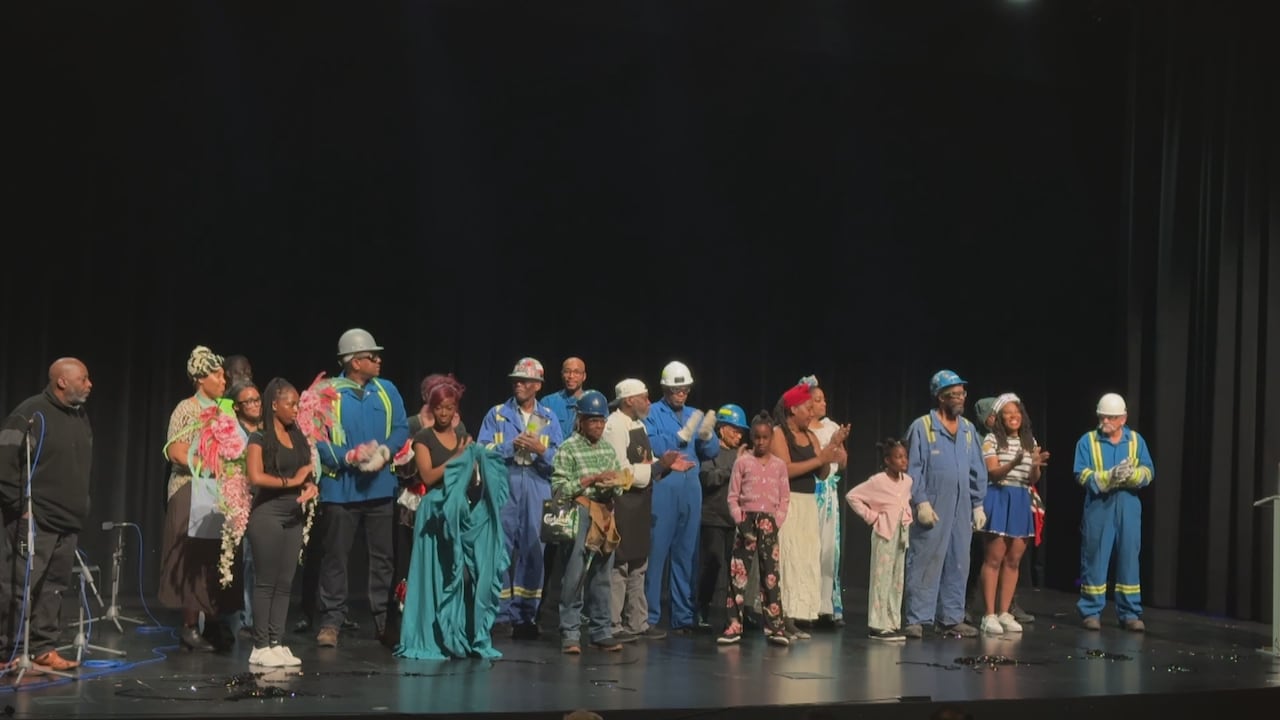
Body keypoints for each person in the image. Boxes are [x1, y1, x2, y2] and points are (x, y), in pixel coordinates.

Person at [397, 381, 510, 660]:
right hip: (435, 511)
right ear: (432, 409)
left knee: (463, 572)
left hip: (458, 510)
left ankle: (460, 633)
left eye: (449, 408)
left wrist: (474, 463)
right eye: (439, 408)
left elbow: (470, 478)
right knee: (434, 574)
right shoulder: (423, 437)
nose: (444, 413)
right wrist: (458, 458)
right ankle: (433, 636)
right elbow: (428, 476)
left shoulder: (461, 435)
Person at [313, 328, 410, 647]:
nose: (379, 361)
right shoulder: (327, 393)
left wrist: (385, 452)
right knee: (335, 558)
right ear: (355, 362)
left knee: (383, 558)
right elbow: (317, 438)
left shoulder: (387, 390)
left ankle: (383, 621)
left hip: (380, 489)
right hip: (341, 490)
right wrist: (347, 457)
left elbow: (400, 428)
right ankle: (331, 621)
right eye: (372, 356)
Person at [0, 358, 94, 672]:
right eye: (83, 379)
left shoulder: (79, 416)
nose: (89, 384)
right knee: (19, 585)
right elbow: (5, 464)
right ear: (62, 382)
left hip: (67, 519)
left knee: (54, 587)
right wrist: (21, 508)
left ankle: (42, 648)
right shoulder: (30, 413)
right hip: (35, 519)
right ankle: (8, 650)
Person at [158, 346, 244, 652]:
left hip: (221, 492)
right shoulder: (187, 409)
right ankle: (190, 626)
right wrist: (213, 464)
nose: (224, 380)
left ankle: (216, 621)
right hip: (191, 489)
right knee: (193, 557)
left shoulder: (226, 410)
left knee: (218, 556)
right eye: (217, 375)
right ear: (200, 379)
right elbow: (176, 452)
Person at [477, 357, 563, 639]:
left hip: (538, 487)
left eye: (524, 381)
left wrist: (541, 450)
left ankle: (526, 616)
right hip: (505, 484)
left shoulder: (548, 418)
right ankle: (499, 615)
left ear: (537, 385)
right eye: (515, 380)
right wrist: (509, 447)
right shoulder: (497, 414)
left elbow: (561, 460)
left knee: (533, 552)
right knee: (499, 550)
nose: (518, 385)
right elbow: (481, 450)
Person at [901, 370, 987, 639]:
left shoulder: (968, 430)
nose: (960, 399)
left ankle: (950, 618)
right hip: (934, 504)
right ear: (940, 397)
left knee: (959, 560)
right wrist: (921, 502)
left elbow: (977, 469)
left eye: (962, 394)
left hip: (961, 506)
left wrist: (978, 504)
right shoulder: (923, 427)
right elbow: (913, 469)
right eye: (954, 395)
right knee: (925, 559)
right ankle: (917, 618)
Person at [601, 379, 685, 642]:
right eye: (645, 398)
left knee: (638, 563)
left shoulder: (638, 424)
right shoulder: (614, 426)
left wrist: (666, 465)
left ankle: (637, 622)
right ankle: (613, 624)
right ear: (629, 400)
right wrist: (658, 467)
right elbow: (620, 471)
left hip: (640, 502)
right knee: (620, 565)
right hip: (622, 502)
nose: (649, 403)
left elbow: (645, 462)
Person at [243, 378, 319, 667]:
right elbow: (255, 477)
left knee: (285, 583)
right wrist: (293, 481)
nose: (296, 409)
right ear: (274, 405)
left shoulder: (297, 436)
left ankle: (276, 642)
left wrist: (309, 486)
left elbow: (305, 474)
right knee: (266, 582)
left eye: (298, 404)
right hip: (268, 515)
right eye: (291, 404)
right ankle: (260, 645)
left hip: (293, 515)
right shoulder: (259, 437)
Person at [643, 361, 719, 633]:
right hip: (664, 487)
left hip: (690, 490)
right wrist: (681, 437)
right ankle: (649, 617)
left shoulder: (693, 414)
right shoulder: (652, 412)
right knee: (656, 554)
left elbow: (710, 452)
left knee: (687, 554)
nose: (682, 394)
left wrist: (707, 436)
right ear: (665, 389)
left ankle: (683, 616)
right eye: (677, 389)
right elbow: (652, 444)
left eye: (685, 389)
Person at [552, 390, 627, 654]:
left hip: (604, 513)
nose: (598, 426)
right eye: (593, 420)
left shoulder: (607, 448)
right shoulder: (568, 448)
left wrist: (616, 483)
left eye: (601, 421)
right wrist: (591, 479)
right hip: (580, 512)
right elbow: (559, 488)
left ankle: (601, 631)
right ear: (581, 421)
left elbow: (618, 485)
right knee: (575, 574)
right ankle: (570, 632)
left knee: (603, 575)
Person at [1074, 392, 1153, 632]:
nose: (1105, 421)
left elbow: (1149, 472)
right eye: (1102, 417)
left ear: (1123, 419)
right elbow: (1081, 473)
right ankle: (1091, 611)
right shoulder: (1088, 441)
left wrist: (1132, 475)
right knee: (1095, 558)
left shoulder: (1136, 441)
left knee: (1129, 559)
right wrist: (1108, 477)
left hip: (1128, 506)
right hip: (1100, 507)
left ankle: (1129, 613)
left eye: (1111, 417)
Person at [772, 383, 846, 637]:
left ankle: (795, 616)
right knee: (788, 559)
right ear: (793, 409)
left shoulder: (811, 436)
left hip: (808, 504)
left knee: (804, 559)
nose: (812, 413)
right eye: (807, 408)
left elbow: (822, 473)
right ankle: (780, 618)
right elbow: (785, 469)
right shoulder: (779, 434)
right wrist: (819, 459)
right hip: (788, 503)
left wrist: (831, 448)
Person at [976, 393, 1048, 635]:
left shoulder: (1029, 441)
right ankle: (988, 615)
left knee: (1014, 559)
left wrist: (1034, 465)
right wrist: (1014, 463)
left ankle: (1004, 612)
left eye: (1016, 412)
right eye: (1007, 413)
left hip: (1020, 498)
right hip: (998, 496)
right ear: (999, 417)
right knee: (994, 558)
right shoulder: (991, 440)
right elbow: (994, 473)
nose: (1013, 416)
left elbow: (1032, 479)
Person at [719, 411, 790, 646]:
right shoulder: (742, 462)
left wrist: (777, 521)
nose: (760, 442)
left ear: (771, 438)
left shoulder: (779, 465)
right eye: (757, 437)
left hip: (769, 521)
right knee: (738, 574)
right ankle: (733, 624)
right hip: (746, 520)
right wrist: (740, 519)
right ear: (752, 437)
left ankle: (775, 627)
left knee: (770, 575)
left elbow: (784, 498)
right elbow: (733, 495)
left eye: (765, 437)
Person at [846, 438, 914, 641]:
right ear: (887, 460)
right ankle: (877, 624)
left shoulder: (907, 481)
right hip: (885, 534)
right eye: (898, 457)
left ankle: (892, 622)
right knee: (881, 579)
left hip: (901, 535)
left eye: (905, 456)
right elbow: (852, 496)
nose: (903, 460)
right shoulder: (878, 481)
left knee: (896, 579)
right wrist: (872, 517)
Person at [801, 377, 849, 627]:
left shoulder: (831, 427)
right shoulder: (799, 430)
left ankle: (826, 605)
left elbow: (842, 462)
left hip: (828, 492)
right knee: (807, 547)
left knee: (829, 549)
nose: (823, 404)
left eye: (824, 400)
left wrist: (837, 445)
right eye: (818, 400)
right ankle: (804, 605)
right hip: (808, 490)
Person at [696, 404, 750, 633]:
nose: (739, 436)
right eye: (735, 431)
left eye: (741, 432)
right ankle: (702, 607)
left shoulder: (743, 456)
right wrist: (734, 466)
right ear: (722, 429)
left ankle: (734, 614)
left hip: (733, 520)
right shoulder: (711, 451)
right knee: (713, 563)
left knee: (734, 569)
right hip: (712, 517)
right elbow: (707, 479)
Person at [228, 379, 263, 637]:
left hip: (263, 501)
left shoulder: (267, 429)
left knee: (256, 561)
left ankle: (255, 618)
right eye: (247, 401)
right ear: (236, 406)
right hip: (237, 501)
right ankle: (241, 618)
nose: (254, 405)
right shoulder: (230, 432)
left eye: (257, 399)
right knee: (240, 561)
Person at [541, 357, 587, 441]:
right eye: (567, 371)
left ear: (584, 376)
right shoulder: (547, 402)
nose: (571, 376)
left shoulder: (591, 402)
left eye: (576, 372)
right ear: (562, 374)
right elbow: (534, 432)